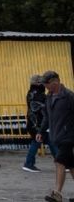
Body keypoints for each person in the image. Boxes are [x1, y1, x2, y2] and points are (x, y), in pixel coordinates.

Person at [39, 70, 74, 202]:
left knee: (59, 161)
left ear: (55, 82)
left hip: (69, 136)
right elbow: (46, 117)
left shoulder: (69, 96)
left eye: (46, 83)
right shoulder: (48, 97)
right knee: (70, 165)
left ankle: (57, 193)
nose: (45, 87)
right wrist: (40, 131)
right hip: (57, 136)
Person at [25, 74, 54, 172]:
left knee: (49, 141)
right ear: (38, 83)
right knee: (38, 141)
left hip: (34, 122)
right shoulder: (38, 94)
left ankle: (62, 162)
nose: (45, 84)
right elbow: (41, 107)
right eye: (42, 82)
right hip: (37, 123)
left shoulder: (31, 92)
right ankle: (28, 164)